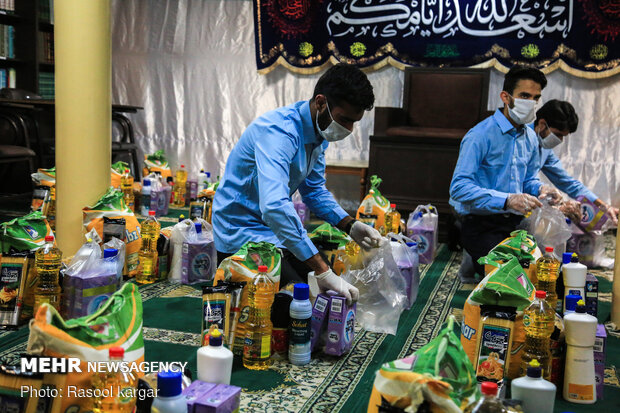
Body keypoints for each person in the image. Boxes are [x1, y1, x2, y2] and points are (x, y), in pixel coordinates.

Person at [212, 64, 382, 304]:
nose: (348, 130)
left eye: (354, 123)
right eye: (345, 120)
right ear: (321, 102)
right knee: (298, 302)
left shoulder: (318, 134)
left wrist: (351, 225)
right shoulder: (279, 132)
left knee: (327, 288)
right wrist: (322, 270)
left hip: (274, 233)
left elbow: (313, 191)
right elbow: (274, 207)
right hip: (241, 234)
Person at [450, 65, 562, 278]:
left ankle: (476, 264)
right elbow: (459, 188)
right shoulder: (480, 135)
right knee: (511, 280)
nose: (531, 103)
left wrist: (542, 188)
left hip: (514, 225)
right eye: (524, 96)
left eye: (536, 98)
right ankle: (474, 259)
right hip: (479, 223)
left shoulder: (529, 138)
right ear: (506, 97)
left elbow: (528, 180)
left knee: (549, 276)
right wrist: (507, 200)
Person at [531, 99, 619, 224]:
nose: (560, 140)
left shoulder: (545, 148)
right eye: (557, 134)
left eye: (563, 136)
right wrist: (554, 207)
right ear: (542, 124)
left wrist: (604, 206)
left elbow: (568, 183)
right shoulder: (521, 141)